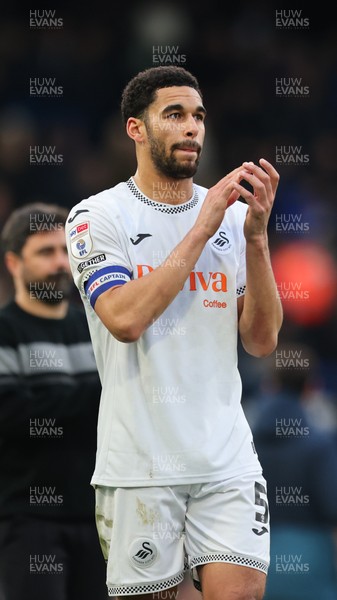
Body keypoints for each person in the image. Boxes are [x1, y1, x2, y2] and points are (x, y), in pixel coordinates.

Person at [65, 66, 283, 600]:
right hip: (141, 466)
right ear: (136, 129)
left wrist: (255, 242)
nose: (193, 128)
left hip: (226, 460)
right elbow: (125, 319)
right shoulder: (97, 217)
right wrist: (202, 224)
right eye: (175, 115)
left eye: (199, 116)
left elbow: (260, 341)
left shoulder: (233, 221)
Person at [0, 203, 108, 600]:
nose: (61, 263)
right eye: (46, 252)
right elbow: (12, 416)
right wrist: (102, 395)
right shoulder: (5, 331)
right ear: (14, 263)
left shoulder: (98, 326)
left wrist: (60, 404)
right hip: (29, 519)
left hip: (100, 516)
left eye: (66, 251)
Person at [250, 345, 337, 600]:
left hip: (255, 553)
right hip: (312, 558)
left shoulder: (247, 443)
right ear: (311, 387)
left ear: (269, 384)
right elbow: (331, 506)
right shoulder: (320, 443)